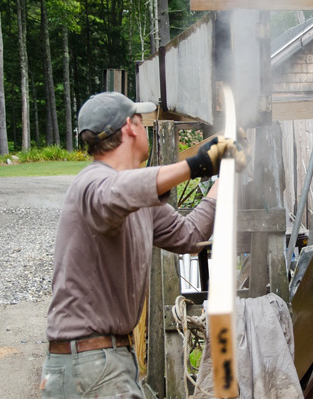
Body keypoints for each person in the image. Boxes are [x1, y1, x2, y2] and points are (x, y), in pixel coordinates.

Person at [40, 91, 246, 398]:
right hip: (89, 364)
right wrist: (198, 164)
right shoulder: (91, 185)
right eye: (141, 120)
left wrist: (224, 173)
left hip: (106, 362)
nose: (145, 128)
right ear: (131, 127)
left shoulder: (139, 201)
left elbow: (189, 236)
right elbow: (117, 192)